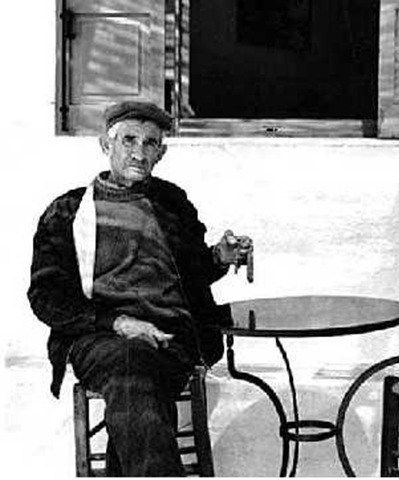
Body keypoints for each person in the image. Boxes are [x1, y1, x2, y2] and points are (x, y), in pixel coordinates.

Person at [27, 101, 252, 476]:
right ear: (106, 145)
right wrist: (117, 323)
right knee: (132, 364)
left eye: (150, 143)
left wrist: (219, 256)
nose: (139, 152)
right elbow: (45, 298)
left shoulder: (172, 202)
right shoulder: (67, 211)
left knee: (136, 380)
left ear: (160, 153)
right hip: (100, 337)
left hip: (173, 336)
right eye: (128, 140)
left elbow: (194, 273)